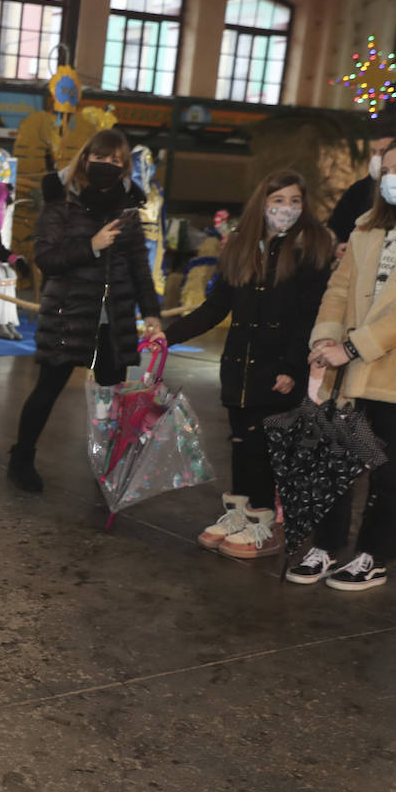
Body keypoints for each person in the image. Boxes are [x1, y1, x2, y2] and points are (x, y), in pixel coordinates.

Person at [165, 169, 333, 558]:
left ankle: (263, 525)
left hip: (278, 370)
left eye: (294, 201)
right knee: (242, 444)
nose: (286, 209)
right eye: (278, 201)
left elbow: (309, 315)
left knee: (265, 448)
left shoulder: (311, 250)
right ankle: (238, 516)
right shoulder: (242, 245)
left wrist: (292, 367)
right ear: (263, 203)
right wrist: (169, 335)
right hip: (239, 367)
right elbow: (215, 306)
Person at [296, 132, 396, 590]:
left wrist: (352, 347)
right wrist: (326, 338)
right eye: (385, 168)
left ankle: (374, 554)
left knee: (386, 467)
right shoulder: (367, 225)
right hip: (346, 367)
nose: (388, 177)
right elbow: (338, 288)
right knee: (334, 459)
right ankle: (326, 545)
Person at [8, 128, 163, 492]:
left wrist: (152, 312)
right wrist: (91, 245)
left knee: (112, 400)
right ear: (85, 158)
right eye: (101, 158)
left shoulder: (129, 208)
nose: (107, 165)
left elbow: (140, 265)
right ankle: (21, 456)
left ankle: (108, 463)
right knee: (48, 388)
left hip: (115, 318)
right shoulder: (61, 201)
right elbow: (46, 259)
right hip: (70, 313)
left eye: (116, 161)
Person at [328, 135, 394, 256]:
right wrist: (337, 245)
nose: (376, 157)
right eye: (374, 152)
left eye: (383, 151)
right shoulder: (358, 190)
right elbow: (337, 225)